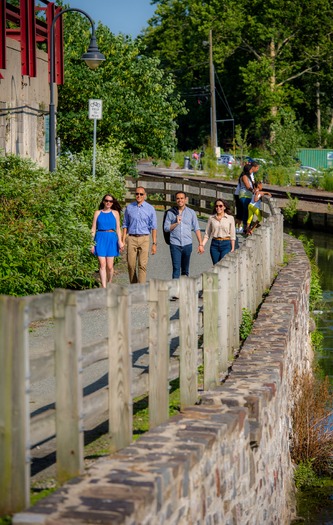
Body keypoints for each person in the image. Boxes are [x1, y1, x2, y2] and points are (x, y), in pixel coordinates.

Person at [163, 191, 204, 279]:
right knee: (176, 269)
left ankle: (184, 290)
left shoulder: (191, 212)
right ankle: (175, 291)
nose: (180, 200)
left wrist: (200, 244)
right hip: (175, 244)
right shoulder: (170, 212)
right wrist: (176, 223)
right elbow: (166, 228)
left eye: (182, 198)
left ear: (185, 200)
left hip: (187, 244)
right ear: (175, 200)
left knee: (185, 270)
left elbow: (196, 228)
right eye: (178, 198)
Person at [122, 186, 157, 284]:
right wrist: (123, 239)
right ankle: (134, 286)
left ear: (145, 195)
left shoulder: (150, 209)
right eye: (137, 194)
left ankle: (141, 288)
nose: (139, 196)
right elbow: (125, 224)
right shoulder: (129, 207)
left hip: (144, 238)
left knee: (142, 265)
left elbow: (154, 227)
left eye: (141, 194)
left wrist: (154, 243)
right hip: (132, 238)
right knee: (130, 265)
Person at [91, 194, 124, 288]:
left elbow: (118, 228)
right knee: (102, 264)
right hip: (100, 238)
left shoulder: (115, 213)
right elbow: (93, 228)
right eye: (106, 200)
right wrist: (91, 243)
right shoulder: (97, 213)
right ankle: (104, 287)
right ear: (103, 201)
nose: (108, 202)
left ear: (113, 203)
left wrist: (120, 241)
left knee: (110, 266)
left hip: (111, 239)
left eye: (110, 201)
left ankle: (109, 282)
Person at [202, 199, 236, 264]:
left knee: (222, 264)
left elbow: (233, 234)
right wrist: (202, 245)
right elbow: (207, 234)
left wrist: (233, 248)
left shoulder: (230, 218)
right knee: (215, 266)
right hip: (214, 244)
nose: (218, 208)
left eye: (220, 206)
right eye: (216, 206)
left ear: (224, 207)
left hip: (226, 244)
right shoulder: (211, 218)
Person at [239, 161, 260, 233]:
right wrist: (253, 191)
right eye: (250, 170)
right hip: (244, 195)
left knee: (248, 211)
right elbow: (247, 186)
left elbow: (252, 185)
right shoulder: (244, 176)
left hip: (248, 196)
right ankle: (246, 228)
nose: (252, 171)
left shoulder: (248, 177)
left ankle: (247, 228)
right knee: (246, 211)